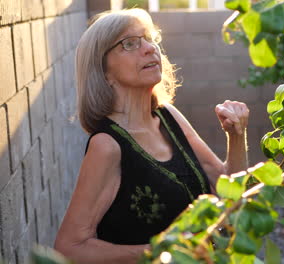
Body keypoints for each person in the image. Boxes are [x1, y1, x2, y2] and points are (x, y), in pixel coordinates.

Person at [54, 8, 249, 264]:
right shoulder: (108, 145)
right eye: (130, 43)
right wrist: (162, 251)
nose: (149, 48)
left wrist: (236, 135)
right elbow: (69, 248)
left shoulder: (168, 117)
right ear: (104, 72)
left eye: (149, 38)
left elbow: (230, 191)